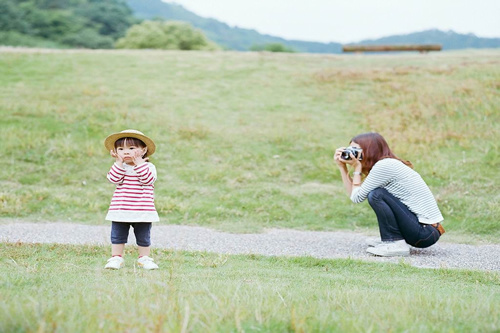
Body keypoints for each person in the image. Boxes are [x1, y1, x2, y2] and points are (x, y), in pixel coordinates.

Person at [334, 132, 445, 257]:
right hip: (423, 230)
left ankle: (395, 243)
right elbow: (354, 194)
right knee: (376, 193)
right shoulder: (384, 165)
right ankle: (391, 239)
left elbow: (356, 198)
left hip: (425, 232)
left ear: (370, 149)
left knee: (376, 194)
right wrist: (342, 167)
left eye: (356, 150)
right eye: (350, 149)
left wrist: (357, 168)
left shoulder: (384, 166)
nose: (352, 154)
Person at [103, 129, 160, 269]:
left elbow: (147, 179)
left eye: (132, 148)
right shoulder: (120, 167)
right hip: (121, 209)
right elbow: (113, 179)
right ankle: (116, 258)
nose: (126, 152)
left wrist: (139, 163)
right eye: (121, 149)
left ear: (143, 150)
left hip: (142, 210)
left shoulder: (148, 167)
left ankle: (144, 258)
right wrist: (118, 162)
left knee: (143, 237)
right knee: (117, 235)